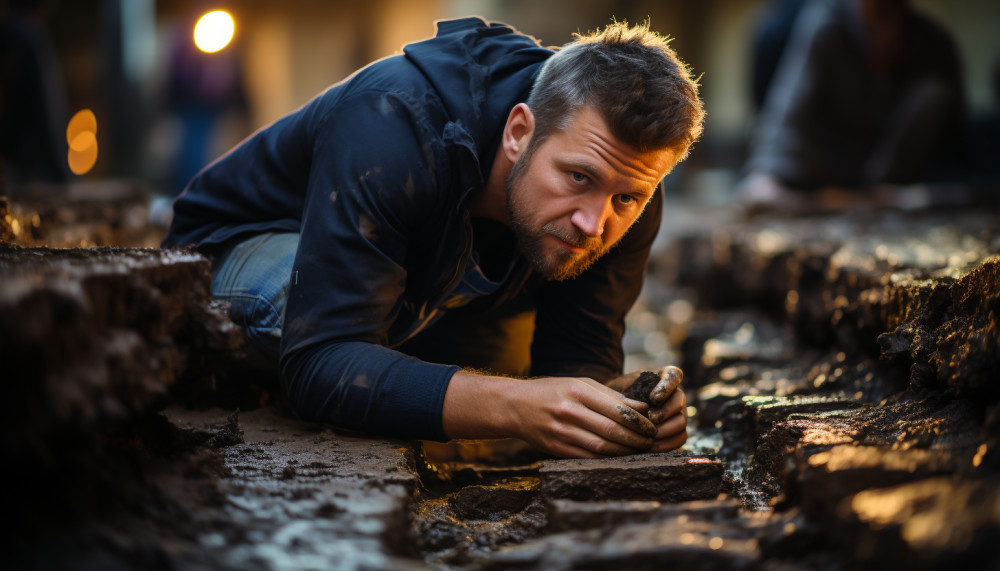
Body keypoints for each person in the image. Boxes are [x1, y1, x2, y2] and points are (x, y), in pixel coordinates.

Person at [162, 17, 704, 458]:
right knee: (472, 385)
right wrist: (516, 405)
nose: (593, 221)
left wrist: (617, 413)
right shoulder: (393, 122)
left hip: (430, 294)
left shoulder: (627, 184)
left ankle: (397, 359)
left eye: (625, 199)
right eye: (577, 178)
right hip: (245, 249)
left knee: (507, 382)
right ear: (520, 132)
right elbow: (320, 361)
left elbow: (575, 364)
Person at [739, 0, 964, 209]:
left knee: (934, 94)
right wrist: (764, 175)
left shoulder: (932, 41)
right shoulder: (826, 24)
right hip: (831, 164)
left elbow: (953, 142)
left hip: (893, 175)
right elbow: (786, 113)